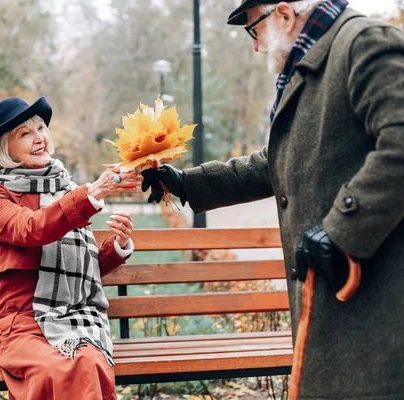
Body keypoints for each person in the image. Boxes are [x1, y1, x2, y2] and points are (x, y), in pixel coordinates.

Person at [141, 1, 404, 398]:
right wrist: (185, 183)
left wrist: (341, 230)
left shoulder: (364, 43)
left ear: (283, 14)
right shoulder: (313, 64)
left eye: (253, 30)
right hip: (342, 299)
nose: (256, 46)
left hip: (374, 294)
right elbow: (278, 163)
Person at [0, 96, 142, 400]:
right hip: (18, 323)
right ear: (4, 149)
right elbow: (32, 229)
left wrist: (118, 246)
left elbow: (79, 269)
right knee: (58, 368)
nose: (39, 138)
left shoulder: (63, 190)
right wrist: (90, 194)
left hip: (74, 315)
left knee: (89, 360)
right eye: (24, 134)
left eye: (41, 128)